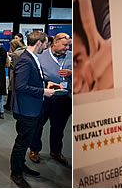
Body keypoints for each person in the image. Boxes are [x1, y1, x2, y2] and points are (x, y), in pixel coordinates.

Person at [9, 31, 57, 188]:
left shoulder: (31, 58)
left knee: (26, 140)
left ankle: (21, 166)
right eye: (45, 43)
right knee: (22, 142)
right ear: (39, 43)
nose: (47, 45)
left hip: (33, 107)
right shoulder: (25, 60)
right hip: (26, 109)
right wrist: (44, 91)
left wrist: (45, 85)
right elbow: (20, 86)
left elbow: (31, 80)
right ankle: (16, 173)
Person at [29, 33, 72, 166]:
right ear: (55, 43)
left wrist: (73, 73)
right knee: (38, 125)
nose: (67, 48)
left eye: (69, 45)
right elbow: (35, 76)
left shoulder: (73, 56)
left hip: (64, 98)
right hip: (46, 97)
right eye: (64, 45)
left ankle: (56, 151)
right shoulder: (41, 57)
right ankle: (34, 149)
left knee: (58, 128)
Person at [5, 38, 26, 111]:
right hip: (24, 74)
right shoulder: (25, 50)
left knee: (12, 89)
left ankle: (11, 106)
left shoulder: (15, 54)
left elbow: (13, 65)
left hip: (15, 74)